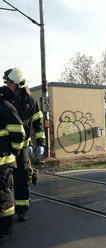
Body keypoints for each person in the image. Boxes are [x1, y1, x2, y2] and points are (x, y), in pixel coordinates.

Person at [1, 67, 45, 222]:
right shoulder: (4, 97)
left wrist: (40, 142)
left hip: (23, 145)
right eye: (6, 82)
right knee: (6, 179)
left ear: (19, 84)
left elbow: (38, 121)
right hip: (7, 145)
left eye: (10, 82)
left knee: (21, 177)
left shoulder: (30, 100)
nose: (7, 85)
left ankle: (22, 209)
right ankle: (6, 208)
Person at [0, 78, 25, 241]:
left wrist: (14, 152)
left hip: (3, 162)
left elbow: (19, 133)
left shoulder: (6, 107)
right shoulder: (6, 106)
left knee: (3, 195)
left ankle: (6, 229)